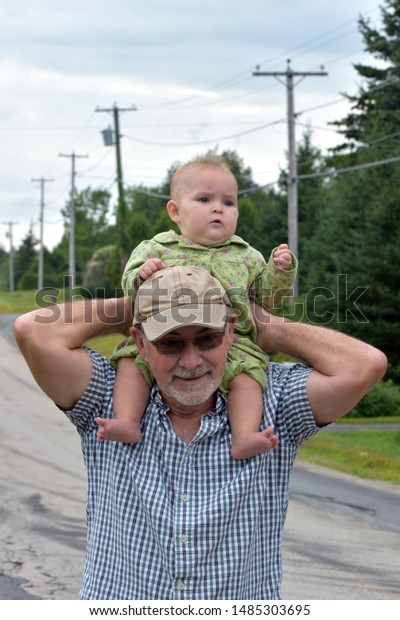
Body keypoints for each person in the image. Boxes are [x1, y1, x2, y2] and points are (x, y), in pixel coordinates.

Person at [14, 265, 387, 600]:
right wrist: (142, 303)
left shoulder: (271, 402)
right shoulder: (110, 398)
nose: (191, 361)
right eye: (170, 342)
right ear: (141, 343)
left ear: (228, 332)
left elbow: (365, 365)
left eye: (206, 338)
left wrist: (264, 326)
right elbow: (33, 331)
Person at [97, 154, 298, 459]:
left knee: (248, 375)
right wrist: (143, 275)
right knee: (130, 360)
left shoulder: (247, 255)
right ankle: (127, 420)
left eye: (228, 203)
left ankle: (244, 435)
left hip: (232, 340)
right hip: (163, 334)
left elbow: (266, 298)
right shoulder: (157, 247)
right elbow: (130, 287)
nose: (218, 208)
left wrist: (281, 272)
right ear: (175, 211)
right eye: (204, 199)